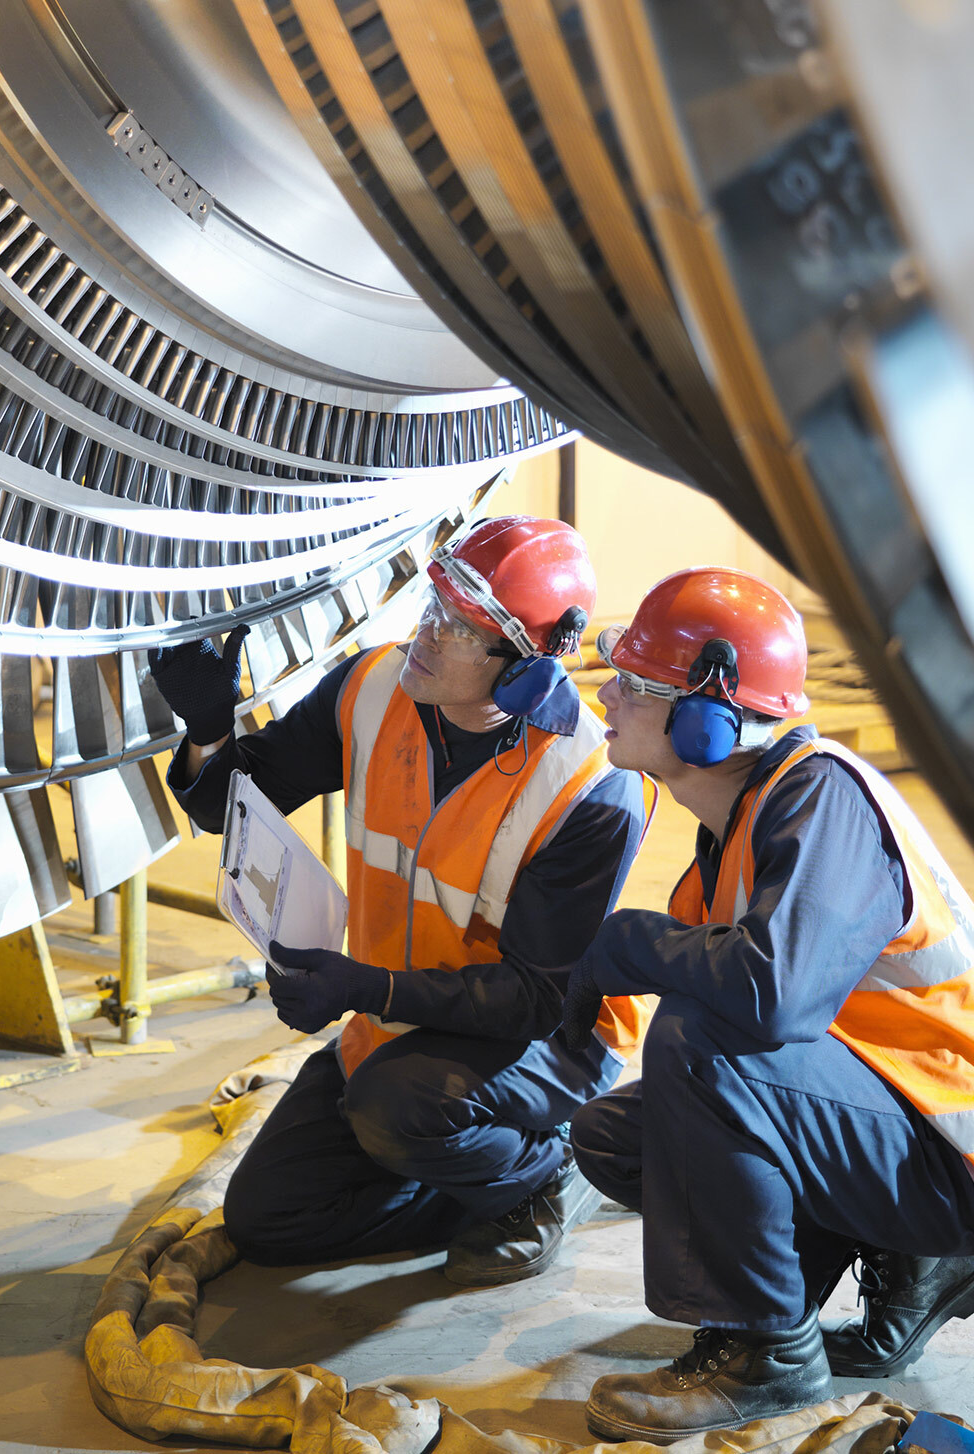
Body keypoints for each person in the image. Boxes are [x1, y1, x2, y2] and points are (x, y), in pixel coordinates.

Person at [560, 567, 974, 1443]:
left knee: (704, 1042)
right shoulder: (735, 829)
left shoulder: (824, 800)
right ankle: (914, 1261)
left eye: (637, 686)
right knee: (622, 1137)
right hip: (901, 1121)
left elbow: (770, 998)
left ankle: (766, 1357)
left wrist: (633, 942)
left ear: (707, 719)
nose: (609, 697)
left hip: (960, 1149)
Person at [149, 516, 650, 1288]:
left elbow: (533, 999)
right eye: (433, 605)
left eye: (457, 627)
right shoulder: (373, 688)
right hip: (403, 1022)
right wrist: (212, 729)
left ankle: (548, 1169)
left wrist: (361, 987)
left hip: (548, 1042)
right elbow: (235, 804)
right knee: (270, 1219)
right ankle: (462, 1176)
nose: (425, 631)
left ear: (523, 671)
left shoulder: (591, 789)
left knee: (394, 1106)